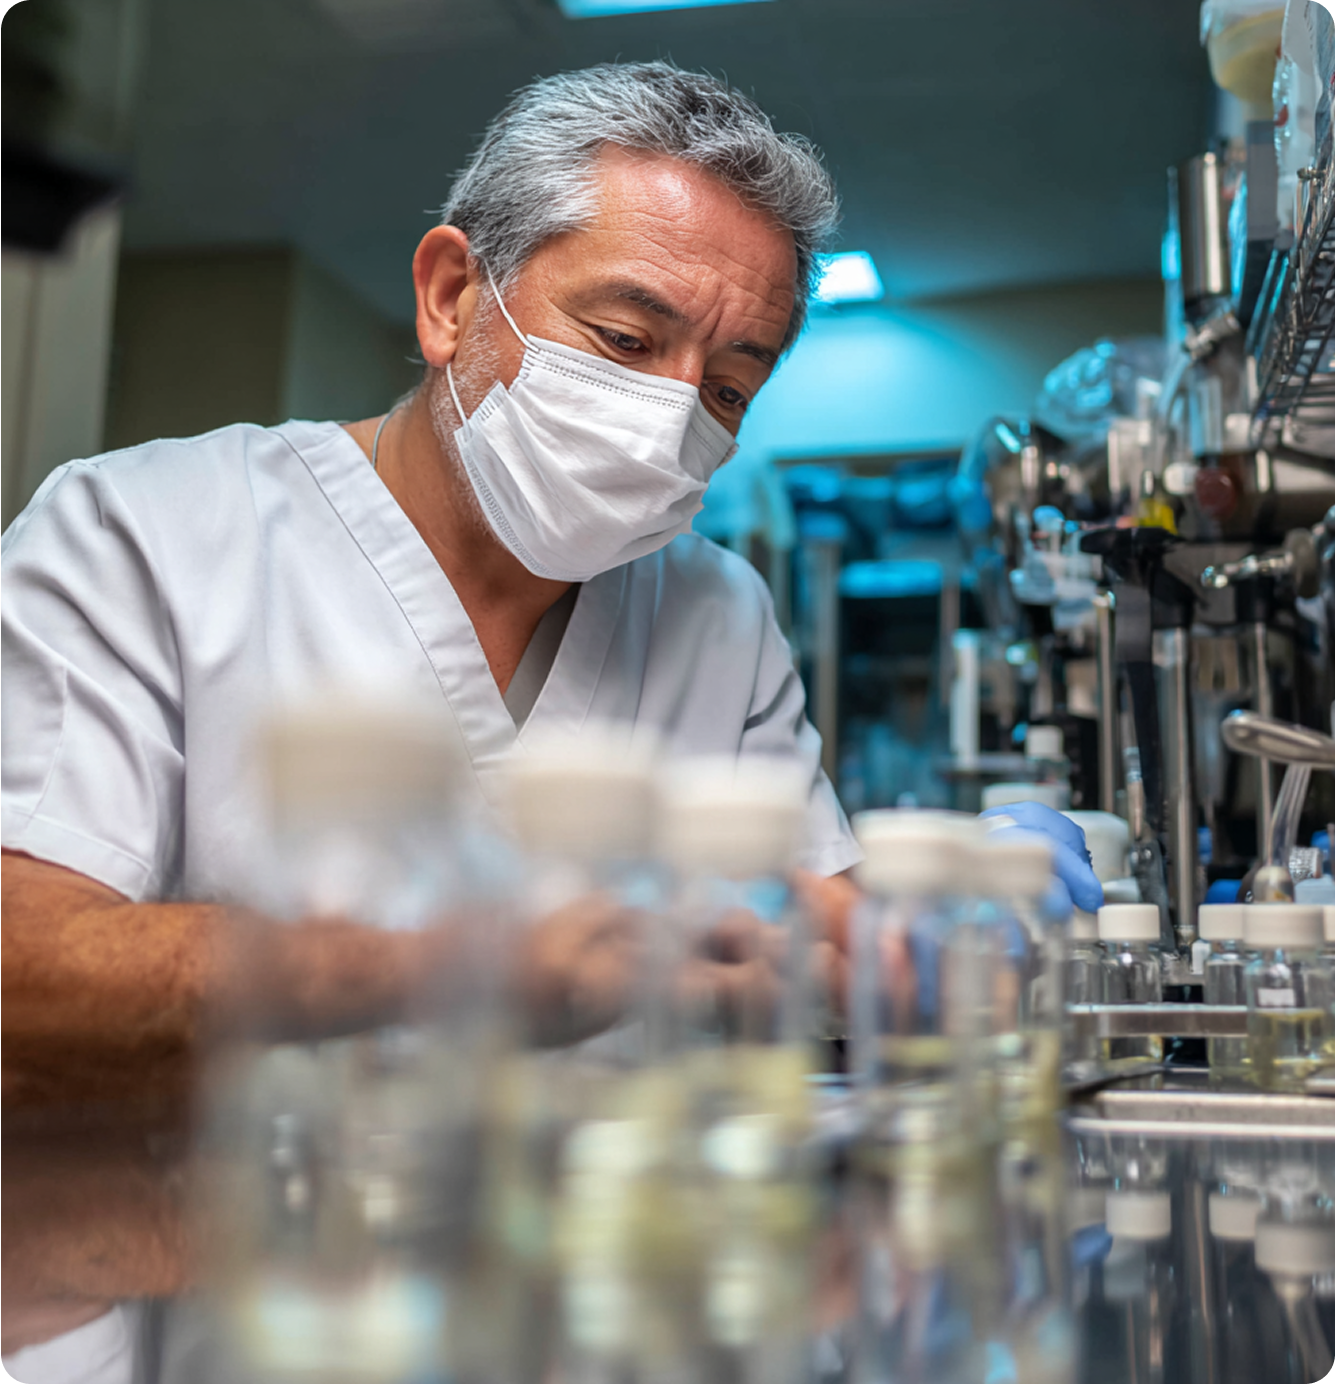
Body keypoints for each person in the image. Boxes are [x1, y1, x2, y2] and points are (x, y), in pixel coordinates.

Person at [1, 62, 1099, 1102]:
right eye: (623, 339)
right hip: (216, 1221)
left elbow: (811, 947)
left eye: (725, 391)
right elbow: (23, 969)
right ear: (450, 298)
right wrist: (454, 963)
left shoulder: (717, 616)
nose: (669, 421)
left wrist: (942, 924)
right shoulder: (142, 535)